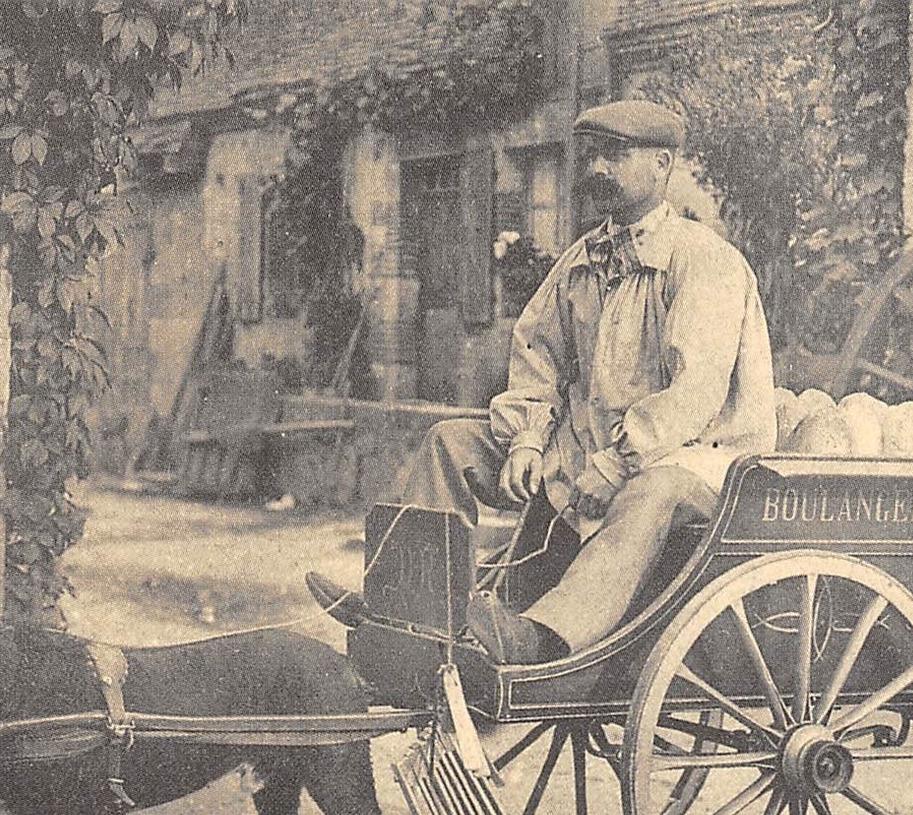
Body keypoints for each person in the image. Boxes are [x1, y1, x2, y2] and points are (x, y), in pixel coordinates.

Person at [307, 99, 775, 664]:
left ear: (663, 165)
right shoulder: (582, 259)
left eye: (617, 155)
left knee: (656, 488)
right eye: (593, 155)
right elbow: (538, 354)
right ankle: (409, 604)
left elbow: (694, 395)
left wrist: (618, 462)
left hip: (700, 463)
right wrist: (528, 438)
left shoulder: (704, 262)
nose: (598, 169)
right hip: (596, 445)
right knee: (451, 443)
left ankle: (541, 636)